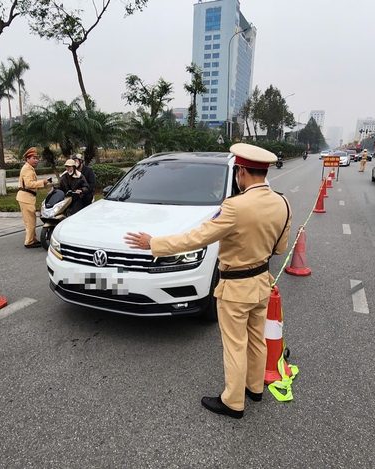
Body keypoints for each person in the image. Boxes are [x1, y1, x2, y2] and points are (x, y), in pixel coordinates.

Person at [124, 143, 292, 419]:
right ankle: (254, 388)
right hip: (262, 281)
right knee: (256, 339)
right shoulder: (282, 202)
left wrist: (153, 243)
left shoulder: (235, 207)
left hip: (236, 287)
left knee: (235, 344)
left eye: (238, 171)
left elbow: (197, 238)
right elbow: (280, 249)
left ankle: (233, 402)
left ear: (241, 172)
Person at [16, 147, 51, 248]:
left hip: (27, 197)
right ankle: (29, 242)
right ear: (28, 159)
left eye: (37, 158)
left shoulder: (29, 168)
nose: (36, 160)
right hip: (25, 197)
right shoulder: (27, 169)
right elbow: (29, 184)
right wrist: (43, 182)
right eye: (34, 158)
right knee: (30, 221)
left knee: (31, 220)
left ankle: (33, 239)